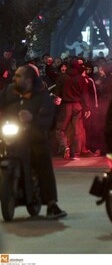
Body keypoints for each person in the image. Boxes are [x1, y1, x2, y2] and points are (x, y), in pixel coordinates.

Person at [0, 65, 67, 219]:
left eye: (18, 76)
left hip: (34, 137)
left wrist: (33, 119)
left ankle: (51, 204)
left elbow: (47, 117)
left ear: (28, 80)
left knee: (43, 162)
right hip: (12, 136)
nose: (14, 78)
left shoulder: (41, 94)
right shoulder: (9, 91)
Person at [54, 58, 91, 159]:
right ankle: (77, 151)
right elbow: (85, 95)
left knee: (60, 129)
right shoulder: (81, 78)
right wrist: (87, 108)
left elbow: (58, 93)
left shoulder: (63, 77)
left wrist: (57, 99)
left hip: (66, 105)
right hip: (77, 105)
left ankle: (65, 147)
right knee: (77, 128)